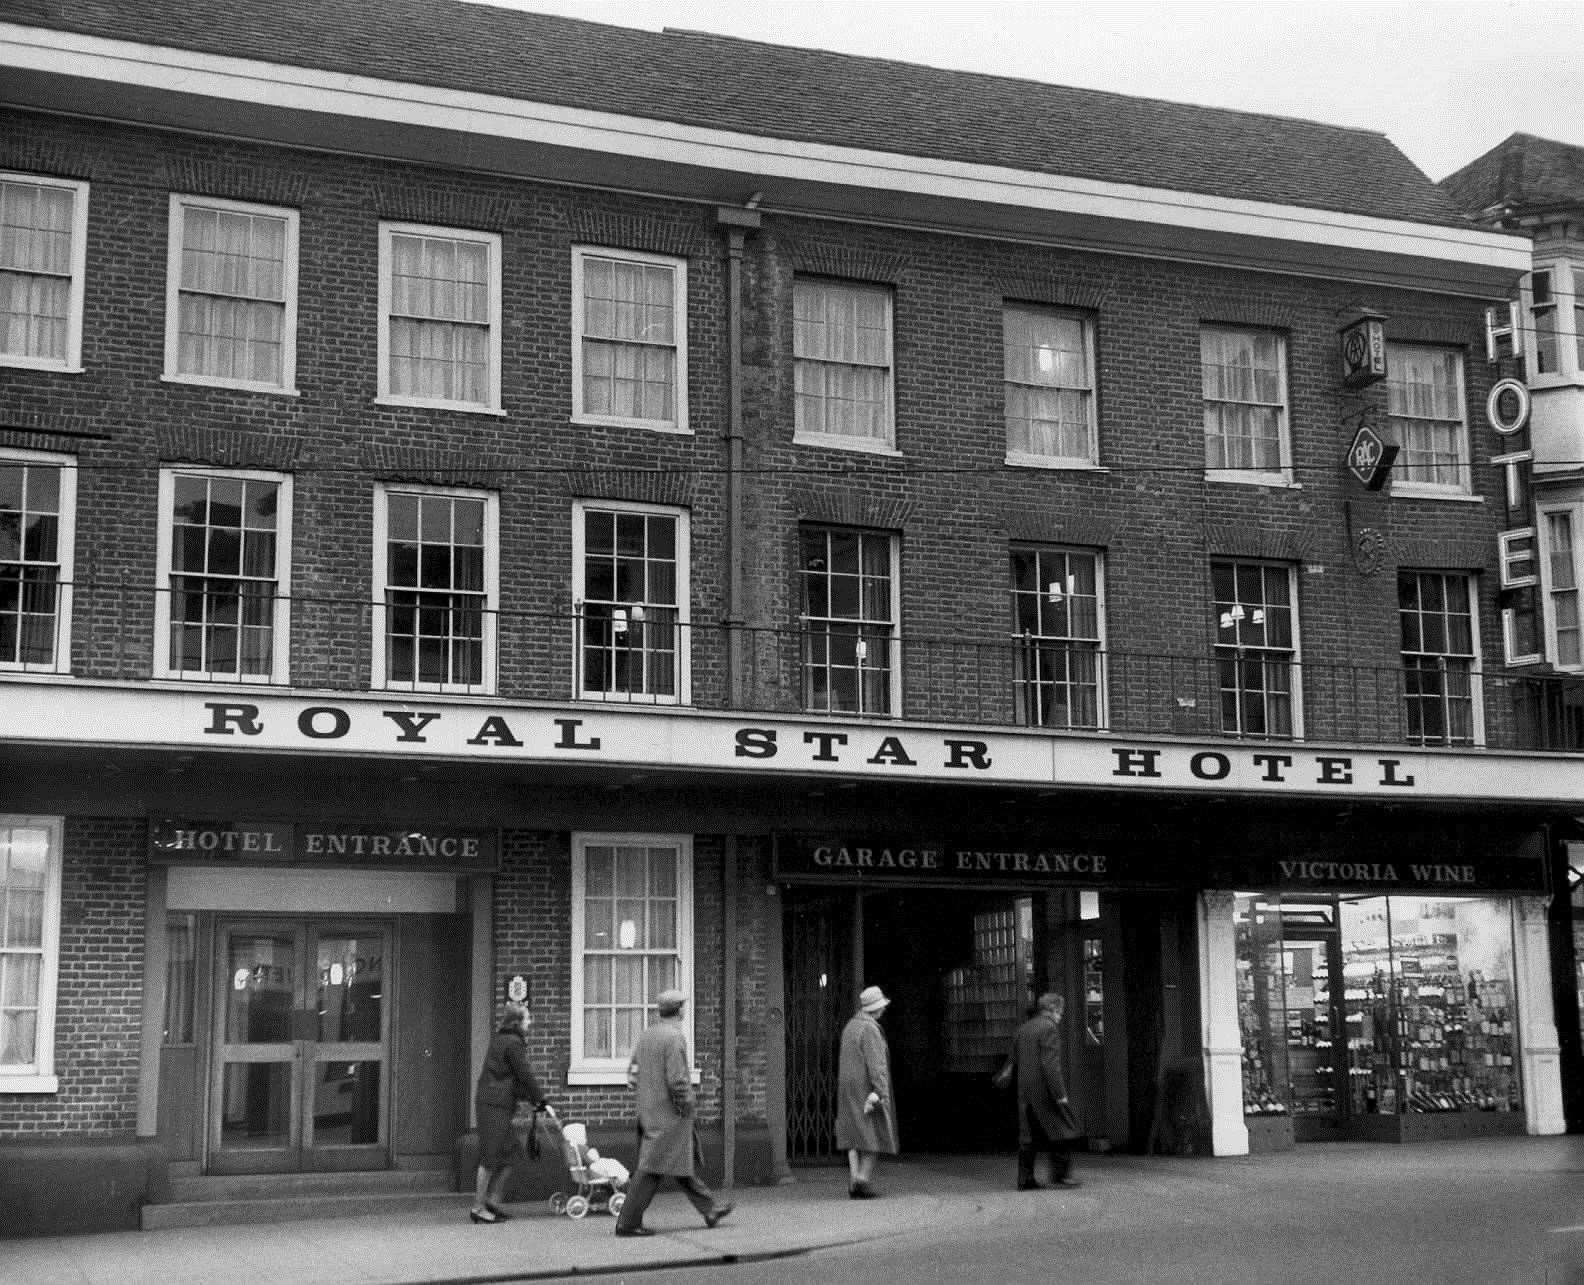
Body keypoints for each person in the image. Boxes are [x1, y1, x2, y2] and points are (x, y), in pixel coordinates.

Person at [613, 988, 734, 1237]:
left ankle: (710, 1209)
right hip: (670, 1114)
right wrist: (687, 1104)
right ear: (680, 1010)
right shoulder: (674, 1038)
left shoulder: (647, 1035)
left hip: (649, 1111)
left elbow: (632, 1074)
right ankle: (627, 1222)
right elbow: (678, 1080)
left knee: (678, 1162)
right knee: (652, 1168)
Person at [471, 1000, 552, 1224]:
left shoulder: (504, 1040)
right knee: (490, 1156)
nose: (530, 1022)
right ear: (517, 1022)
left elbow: (511, 1078)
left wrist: (532, 1099)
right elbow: (523, 1074)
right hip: (493, 1106)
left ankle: (492, 1202)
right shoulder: (512, 1043)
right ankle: (478, 1208)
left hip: (498, 1103)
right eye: (527, 1018)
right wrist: (539, 1098)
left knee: (511, 1153)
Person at [1007, 991, 1082, 1191]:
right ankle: (1060, 1176)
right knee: (1065, 1128)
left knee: (1028, 1135)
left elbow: (1014, 1059)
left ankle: (1025, 1179)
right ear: (1054, 1009)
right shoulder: (1049, 1028)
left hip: (1025, 1090)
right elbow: (1050, 1065)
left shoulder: (1024, 1028)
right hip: (1044, 1090)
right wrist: (1060, 1094)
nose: (1061, 1015)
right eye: (1061, 1011)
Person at [835, 984, 897, 1199]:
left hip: (848, 1088)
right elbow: (876, 1064)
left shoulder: (851, 1026)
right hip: (865, 1088)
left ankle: (854, 1180)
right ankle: (862, 1180)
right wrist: (880, 1091)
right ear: (877, 1008)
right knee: (872, 1135)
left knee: (854, 1136)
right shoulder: (870, 1029)